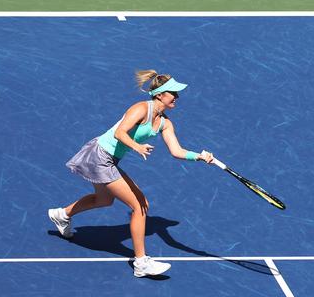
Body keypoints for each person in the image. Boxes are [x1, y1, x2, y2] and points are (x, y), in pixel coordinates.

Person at [48, 70, 215, 278]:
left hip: (109, 159)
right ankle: (141, 263)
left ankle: (62, 214)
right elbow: (120, 132)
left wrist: (199, 156)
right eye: (174, 93)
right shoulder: (140, 109)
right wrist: (137, 147)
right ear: (161, 94)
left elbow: (176, 151)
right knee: (140, 205)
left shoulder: (165, 122)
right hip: (99, 155)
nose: (177, 97)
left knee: (104, 199)